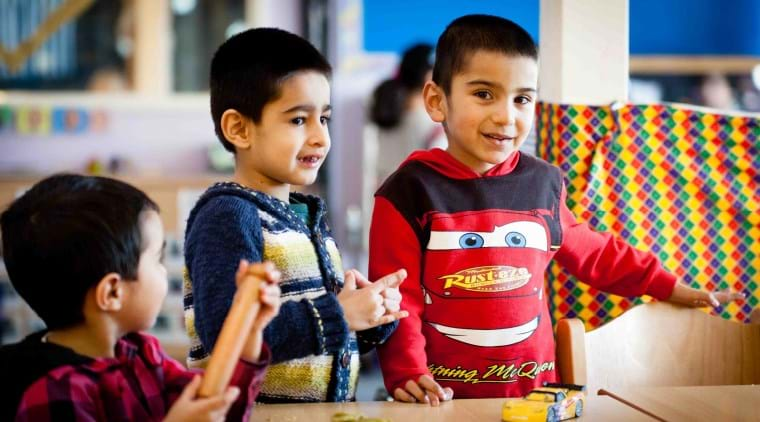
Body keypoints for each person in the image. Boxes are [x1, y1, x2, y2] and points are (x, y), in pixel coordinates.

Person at [368, 14, 745, 405]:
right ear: (436, 100)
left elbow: (596, 252)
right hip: (441, 400)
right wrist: (408, 372)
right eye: (484, 94)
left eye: (523, 99)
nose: (506, 116)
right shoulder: (407, 191)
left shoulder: (543, 182)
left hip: (537, 399)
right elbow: (397, 299)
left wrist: (669, 287)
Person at [183, 27, 408, 403]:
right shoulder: (227, 215)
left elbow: (318, 345)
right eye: (299, 120)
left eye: (325, 118)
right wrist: (338, 313)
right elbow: (227, 335)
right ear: (239, 128)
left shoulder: (306, 217)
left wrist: (371, 316)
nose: (321, 137)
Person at [0, 174, 280, 421]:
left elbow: (218, 407)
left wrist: (250, 329)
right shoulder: (54, 392)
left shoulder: (142, 356)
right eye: (157, 258)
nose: (165, 271)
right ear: (112, 293)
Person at [368, 43, 446, 186]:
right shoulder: (434, 124)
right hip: (416, 202)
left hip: (383, 197)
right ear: (428, 77)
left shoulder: (386, 111)